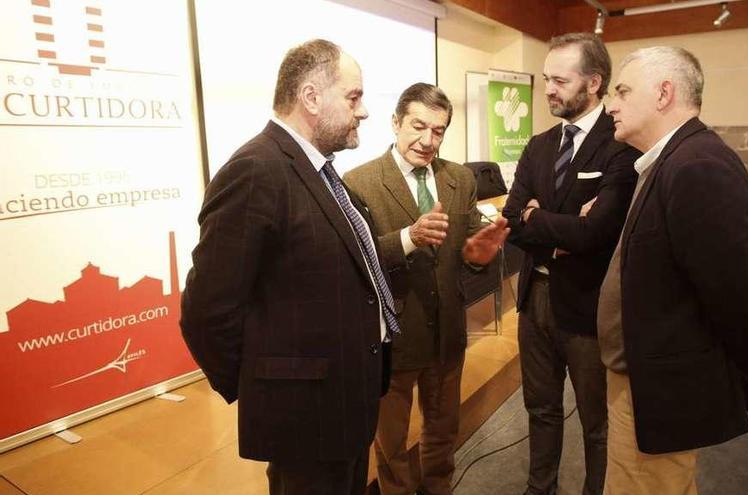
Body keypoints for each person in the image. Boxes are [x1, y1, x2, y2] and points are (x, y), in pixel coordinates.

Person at [180, 39, 398, 495]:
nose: (364, 111)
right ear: (312, 97)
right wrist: (267, 384)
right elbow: (206, 311)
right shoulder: (257, 170)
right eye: (354, 97)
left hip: (347, 404)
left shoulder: (319, 170)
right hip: (305, 418)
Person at [598, 46, 748, 494]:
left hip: (661, 383)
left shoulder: (696, 165)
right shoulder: (669, 161)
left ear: (664, 93)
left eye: (623, 91)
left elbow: (733, 281)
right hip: (644, 374)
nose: (612, 105)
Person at [344, 82, 509, 495]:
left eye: (438, 131)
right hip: (392, 338)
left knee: (442, 434)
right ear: (396, 122)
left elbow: (470, 244)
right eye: (418, 126)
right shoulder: (359, 182)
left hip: (448, 332)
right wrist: (408, 238)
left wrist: (479, 252)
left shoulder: (459, 178)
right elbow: (354, 261)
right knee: (392, 444)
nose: (427, 140)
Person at [501, 33, 640, 495]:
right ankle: (540, 490)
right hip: (533, 301)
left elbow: (598, 233)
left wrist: (537, 219)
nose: (548, 90)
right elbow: (512, 221)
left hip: (589, 308)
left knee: (597, 423)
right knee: (540, 410)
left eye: (560, 80)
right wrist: (554, 229)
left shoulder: (621, 146)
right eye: (546, 79)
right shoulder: (539, 144)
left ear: (594, 83)